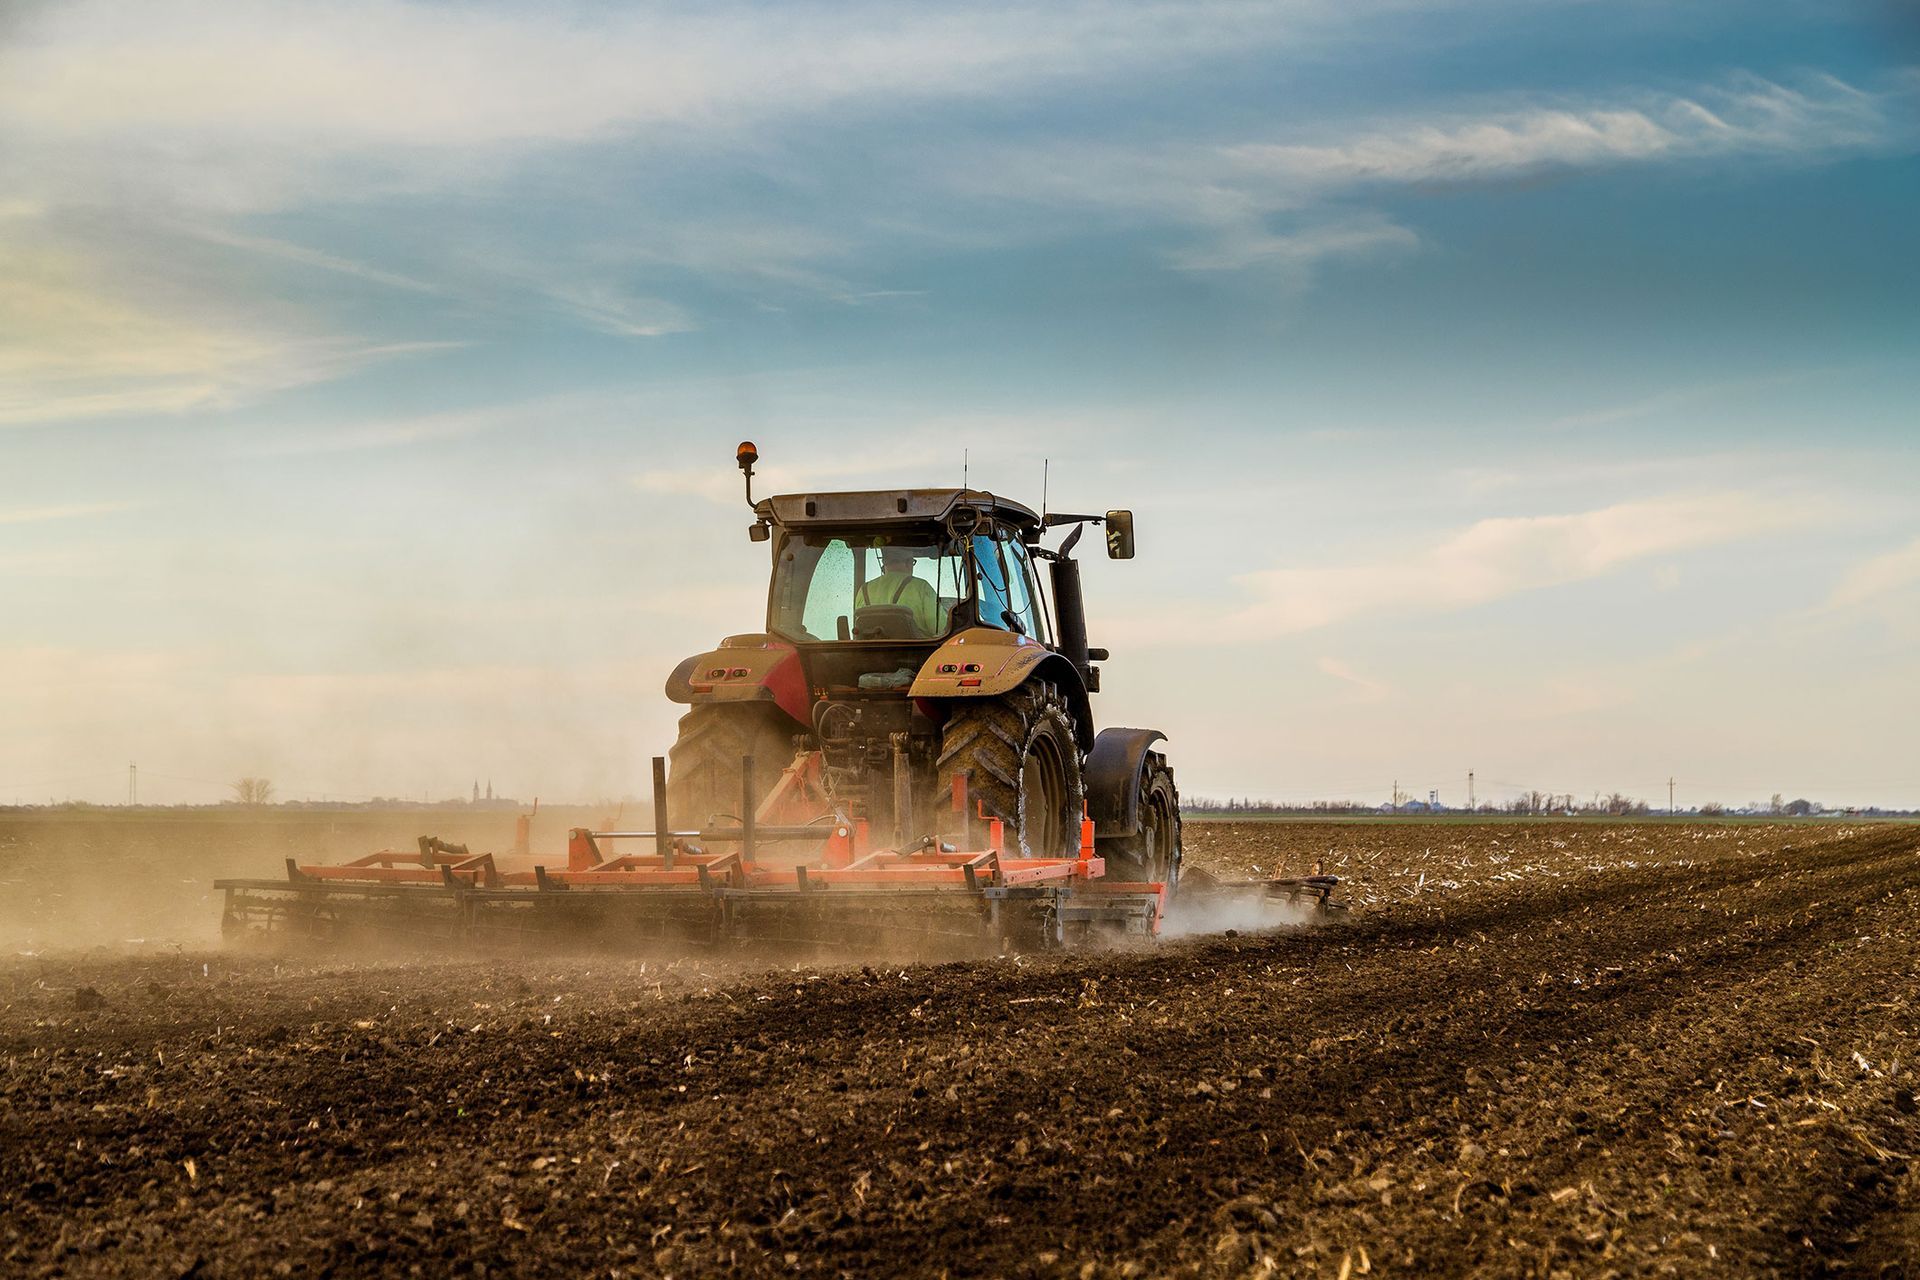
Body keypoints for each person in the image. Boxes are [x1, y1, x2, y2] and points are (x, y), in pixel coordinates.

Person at [854, 544, 941, 636]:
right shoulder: (921, 587)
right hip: (917, 650)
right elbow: (941, 629)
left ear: (884, 563)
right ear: (909, 563)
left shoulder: (863, 590)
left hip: (871, 649)